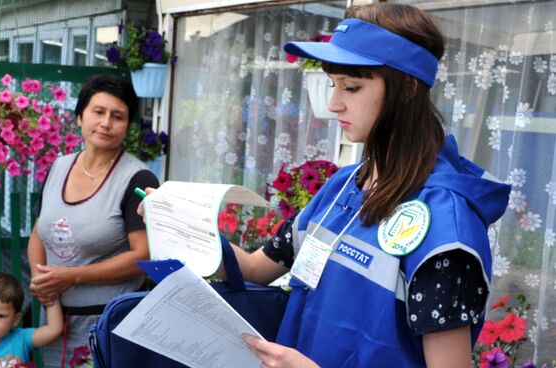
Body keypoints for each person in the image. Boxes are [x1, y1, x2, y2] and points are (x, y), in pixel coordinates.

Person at [141, 3, 511, 368]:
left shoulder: (445, 226)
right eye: (333, 84)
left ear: (409, 87)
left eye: (351, 87)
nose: (334, 104)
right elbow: (257, 268)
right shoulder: (342, 186)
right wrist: (178, 222)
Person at [27, 74, 159, 367]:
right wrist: (41, 280)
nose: (106, 123)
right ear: (79, 117)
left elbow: (143, 255)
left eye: (118, 116)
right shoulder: (59, 167)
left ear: (127, 126)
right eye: (98, 111)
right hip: (54, 321)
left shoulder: (137, 179)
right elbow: (39, 233)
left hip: (106, 322)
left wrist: (73, 276)